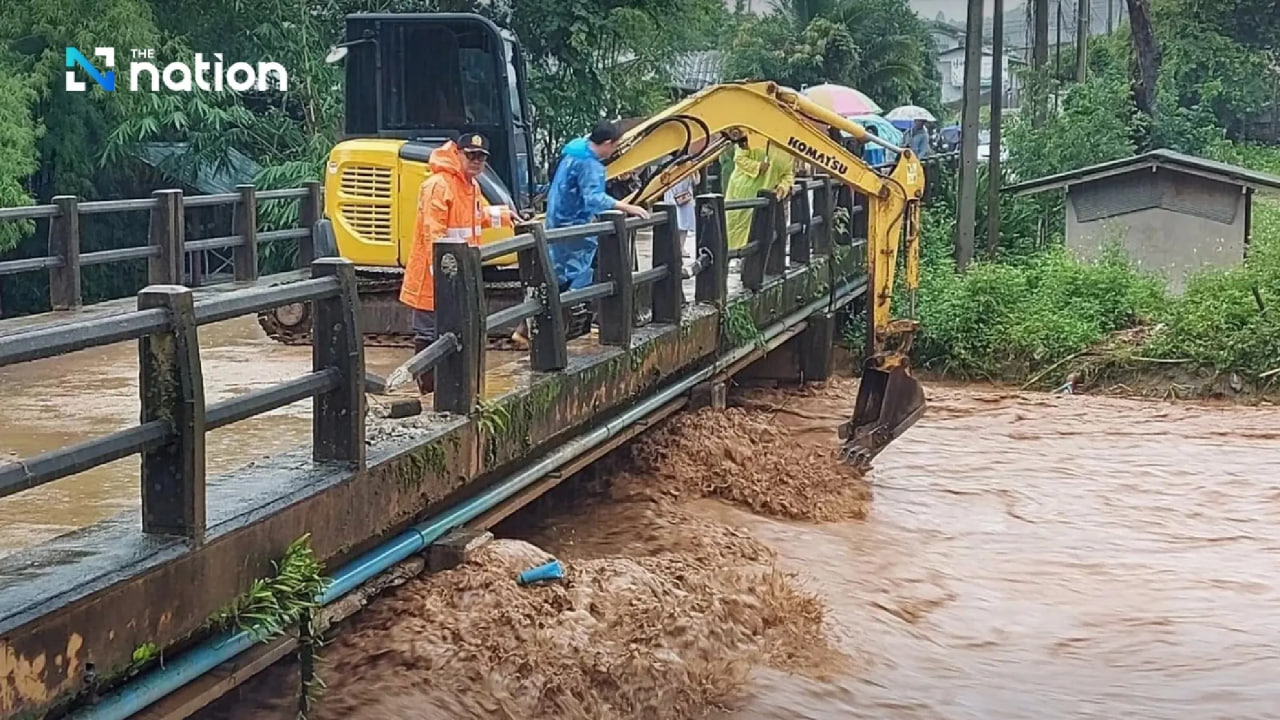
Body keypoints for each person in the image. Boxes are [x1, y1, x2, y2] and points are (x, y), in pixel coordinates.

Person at [511, 120, 648, 347]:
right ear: (605, 143)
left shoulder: (575, 151)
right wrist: (628, 207)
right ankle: (548, 335)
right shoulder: (590, 165)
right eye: (613, 147)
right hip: (576, 228)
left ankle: (532, 330)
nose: (613, 152)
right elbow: (594, 198)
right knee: (572, 278)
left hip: (558, 221)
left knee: (554, 274)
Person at [399, 133, 514, 395]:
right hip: (434, 276)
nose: (476, 161)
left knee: (454, 332)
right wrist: (442, 274)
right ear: (458, 154)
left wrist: (503, 215)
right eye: (471, 155)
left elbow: (471, 218)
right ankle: (429, 393)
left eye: (481, 157)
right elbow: (433, 232)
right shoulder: (439, 185)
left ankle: (449, 389)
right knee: (429, 334)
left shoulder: (469, 185)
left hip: (458, 274)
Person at [724, 140, 794, 251]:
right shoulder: (752, 137)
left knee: (758, 230)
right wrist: (757, 166)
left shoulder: (787, 148)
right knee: (736, 227)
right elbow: (739, 158)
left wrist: (783, 187)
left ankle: (752, 260)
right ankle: (733, 255)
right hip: (743, 192)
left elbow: (788, 173)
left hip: (765, 196)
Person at [662, 169, 699, 258]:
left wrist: (695, 172)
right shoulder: (669, 164)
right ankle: (674, 247)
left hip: (686, 195)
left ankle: (681, 247)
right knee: (675, 221)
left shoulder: (690, 164)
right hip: (672, 192)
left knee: (685, 222)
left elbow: (696, 181)